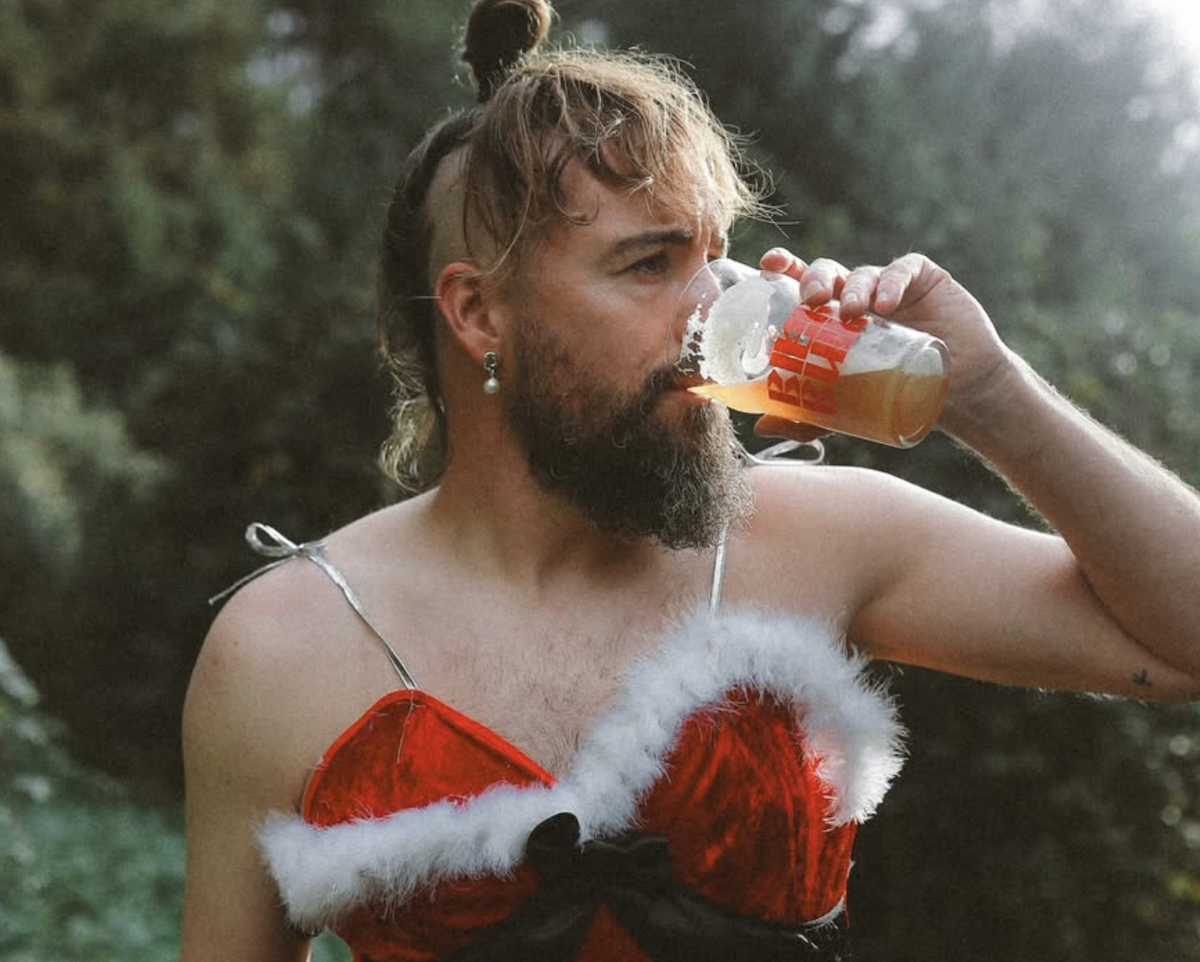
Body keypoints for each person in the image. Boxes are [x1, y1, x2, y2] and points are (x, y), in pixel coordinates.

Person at [179, 1, 1200, 960]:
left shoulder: (813, 533)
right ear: (479, 313)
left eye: (715, 257)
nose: (717, 310)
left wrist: (991, 394)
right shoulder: (289, 643)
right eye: (650, 266)